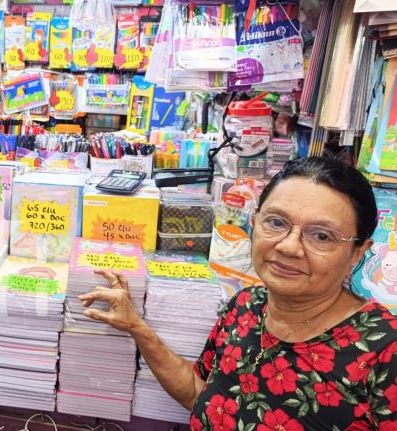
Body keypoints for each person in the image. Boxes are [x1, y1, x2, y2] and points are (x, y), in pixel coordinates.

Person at [79, 157, 397, 429]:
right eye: (276, 222)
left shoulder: (384, 351)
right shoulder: (247, 305)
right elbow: (198, 392)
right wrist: (136, 326)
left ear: (358, 252)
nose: (288, 246)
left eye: (321, 236)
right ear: (254, 223)